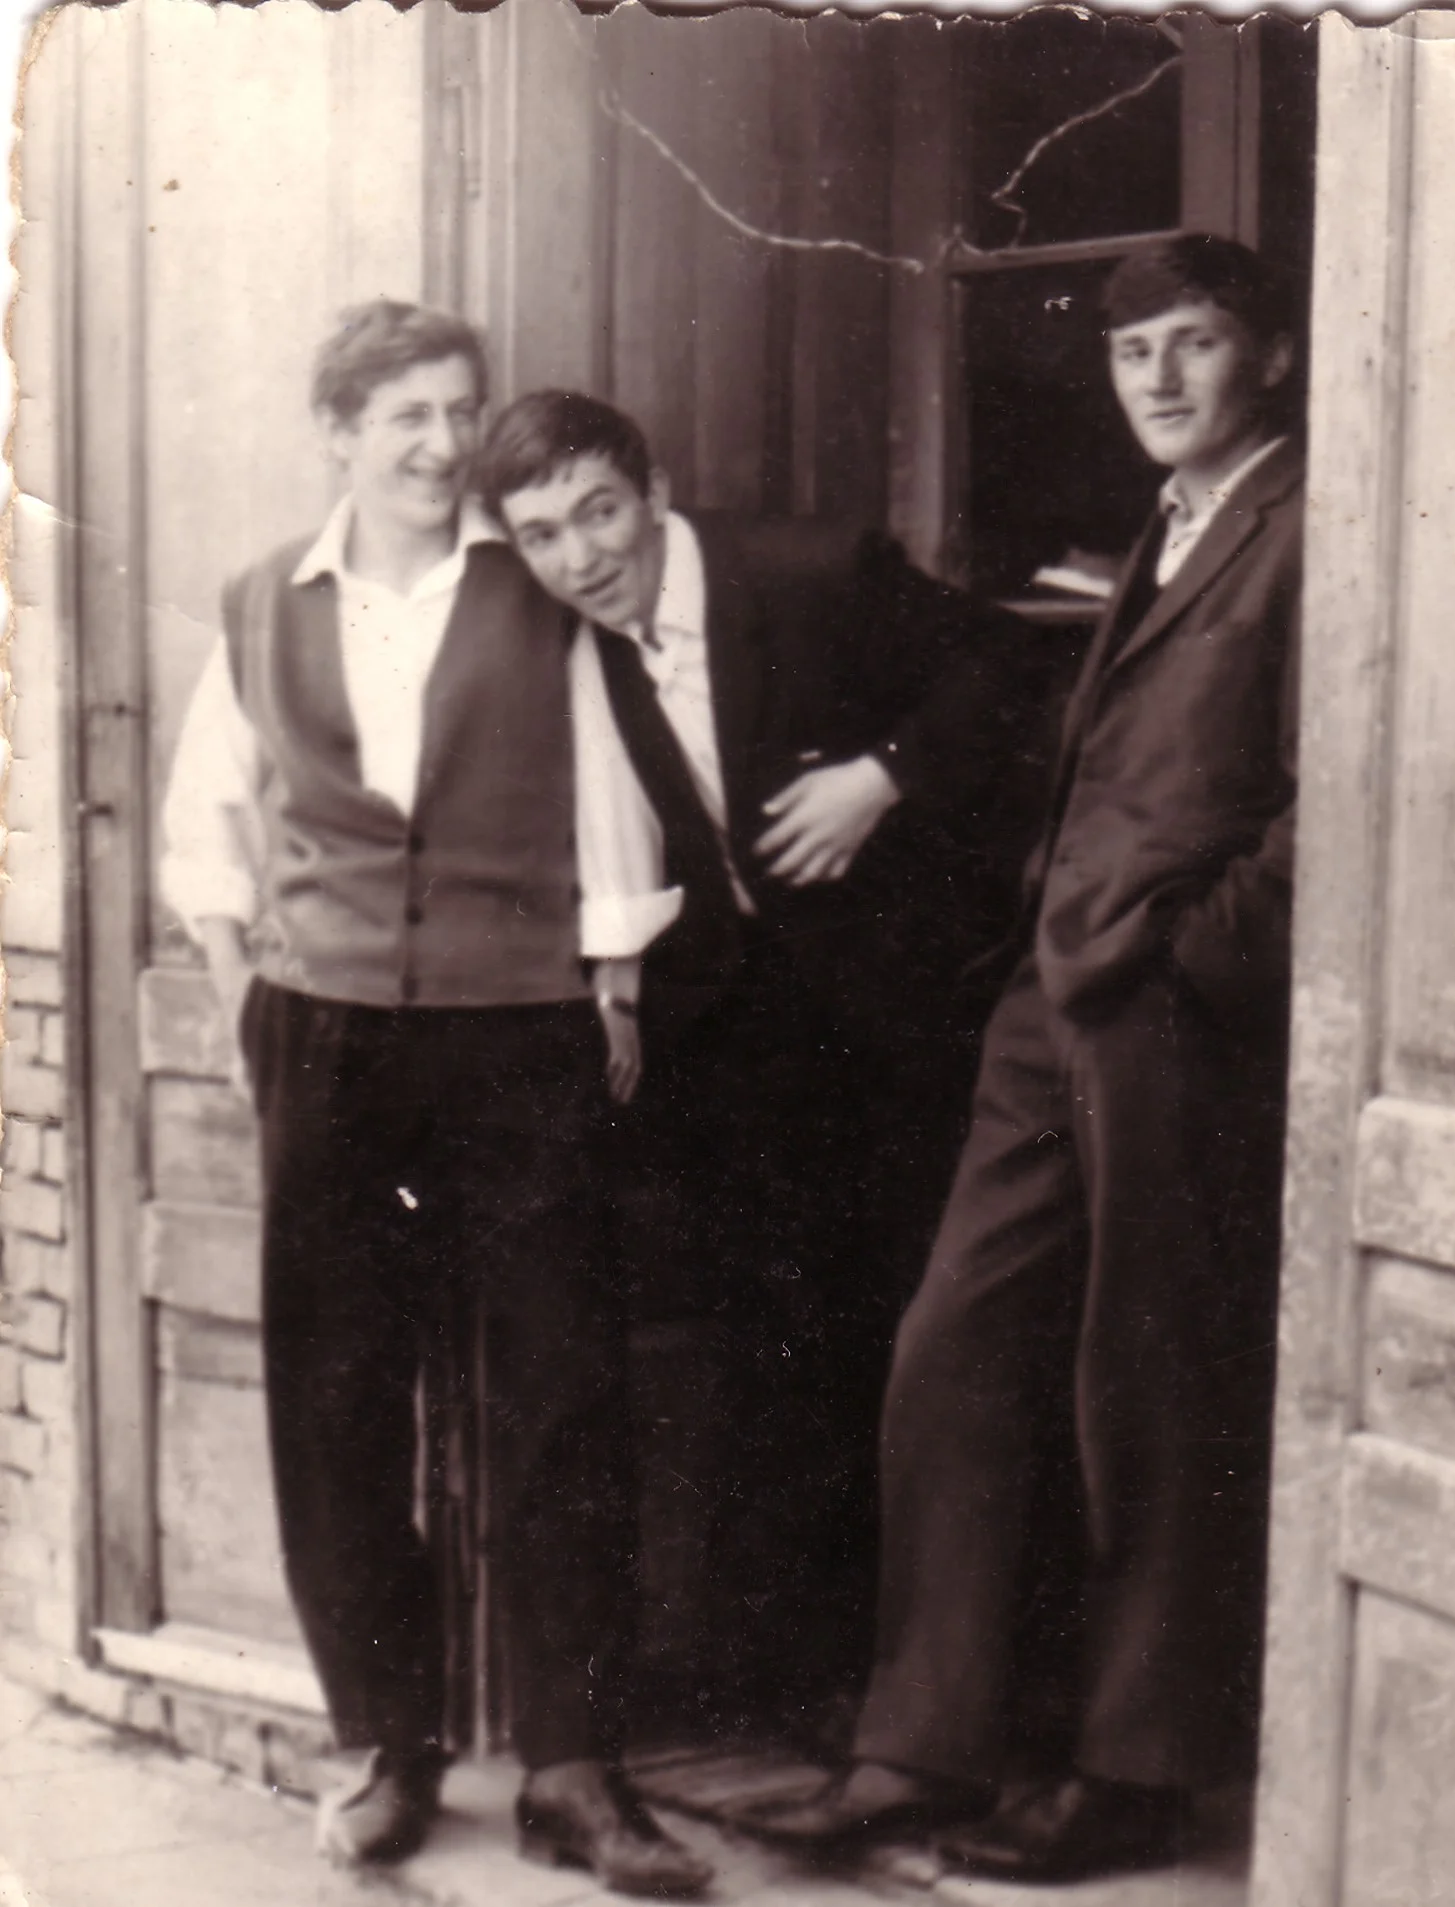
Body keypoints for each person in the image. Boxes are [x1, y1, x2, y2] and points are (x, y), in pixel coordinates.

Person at [751, 234, 1303, 1883]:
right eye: (1132, 349)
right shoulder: (1174, 518)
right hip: (1049, 997)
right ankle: (919, 1748)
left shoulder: (1310, 525)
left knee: (1146, 1383)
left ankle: (1134, 1777)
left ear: (1268, 358)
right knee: (955, 1350)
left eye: (1192, 342)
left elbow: (1338, 789)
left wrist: (1191, 954)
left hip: (1163, 1006)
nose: (1156, 377)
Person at [160, 300, 711, 1897]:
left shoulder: (531, 585)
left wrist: (612, 975)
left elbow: (609, 794)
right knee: (339, 1398)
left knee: (561, 1390)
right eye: (405, 414)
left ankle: (574, 1766)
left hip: (520, 1033)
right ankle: (389, 1743)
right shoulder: (266, 598)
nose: (441, 441)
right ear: (337, 433)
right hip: (328, 1041)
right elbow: (211, 815)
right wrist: (241, 989)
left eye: (459, 409)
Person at [472, 392, 1050, 1724]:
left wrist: (882, 777)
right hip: (746, 1043)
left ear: (655, 492)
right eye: (542, 535)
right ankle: (817, 1689)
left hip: (911, 1023)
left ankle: (969, 1702)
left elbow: (1010, 668)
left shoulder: (810, 569)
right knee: (785, 1347)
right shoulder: (576, 643)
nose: (580, 557)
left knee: (930, 1344)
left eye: (599, 513)